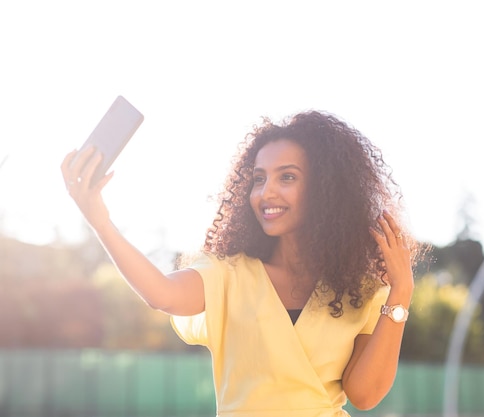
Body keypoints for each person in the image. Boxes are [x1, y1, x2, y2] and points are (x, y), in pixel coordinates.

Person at [61, 110, 424, 417]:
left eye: (287, 177)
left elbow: (365, 395)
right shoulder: (227, 274)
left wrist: (401, 292)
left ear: (325, 188)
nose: (266, 192)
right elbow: (163, 294)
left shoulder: (359, 290)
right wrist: (100, 222)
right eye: (258, 178)